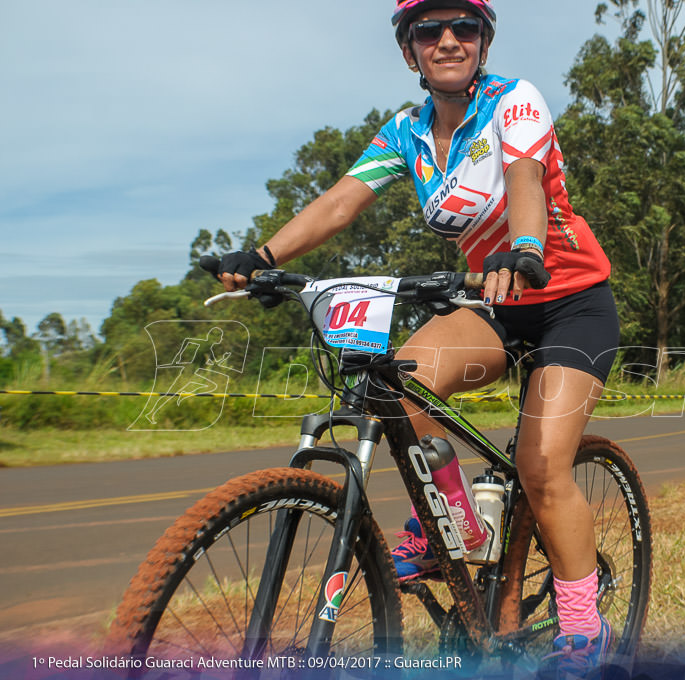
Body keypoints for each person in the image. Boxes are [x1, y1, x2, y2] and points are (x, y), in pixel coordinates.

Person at [213, 1, 619, 675]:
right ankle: (453, 527)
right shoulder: (405, 131)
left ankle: (583, 624)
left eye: (464, 28)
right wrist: (264, 255)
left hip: (569, 302)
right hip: (488, 299)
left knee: (544, 468)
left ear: (483, 43)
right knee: (395, 381)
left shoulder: (515, 102)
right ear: (411, 52)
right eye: (430, 31)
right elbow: (342, 199)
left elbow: (522, 176)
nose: (449, 40)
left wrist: (523, 247)